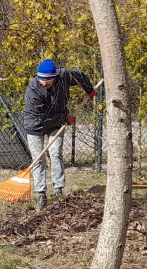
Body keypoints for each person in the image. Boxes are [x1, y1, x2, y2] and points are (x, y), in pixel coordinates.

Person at [21, 59, 95, 210]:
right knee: (38, 159)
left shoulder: (64, 77)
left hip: (56, 124)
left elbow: (80, 75)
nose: (43, 82)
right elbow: (41, 116)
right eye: (41, 79)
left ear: (54, 77)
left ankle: (58, 192)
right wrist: (64, 119)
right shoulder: (33, 89)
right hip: (35, 124)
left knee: (56, 154)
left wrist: (90, 90)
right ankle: (41, 194)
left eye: (47, 80)